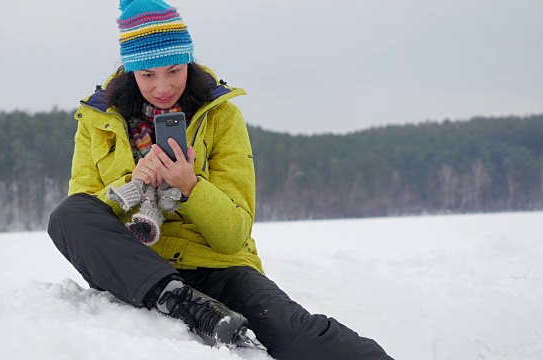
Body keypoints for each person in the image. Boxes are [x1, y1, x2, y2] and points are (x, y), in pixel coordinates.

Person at [48, 0, 393, 358]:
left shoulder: (223, 117)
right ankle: (177, 300)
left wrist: (190, 186)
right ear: (130, 70)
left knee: (296, 334)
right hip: (137, 266)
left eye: (173, 70)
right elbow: (86, 218)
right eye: (147, 74)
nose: (163, 86)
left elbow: (233, 235)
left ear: (189, 62)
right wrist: (129, 183)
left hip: (218, 266)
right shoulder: (97, 121)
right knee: (66, 214)